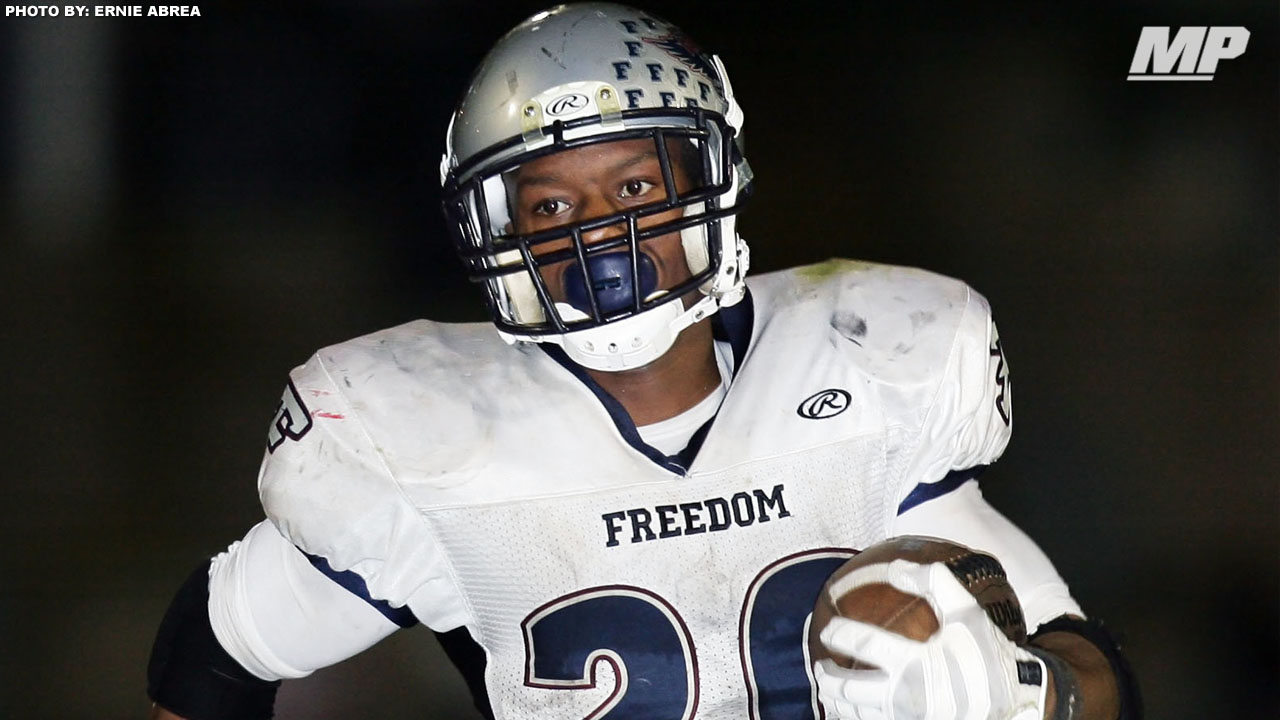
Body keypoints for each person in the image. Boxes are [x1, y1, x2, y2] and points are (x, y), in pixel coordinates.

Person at [146, 4, 1139, 719]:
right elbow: (217, 655)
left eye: (631, 189)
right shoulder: (423, 437)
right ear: (496, 231)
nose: (599, 242)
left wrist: (1021, 692)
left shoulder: (869, 363)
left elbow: (1088, 672)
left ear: (708, 181)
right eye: (550, 207)